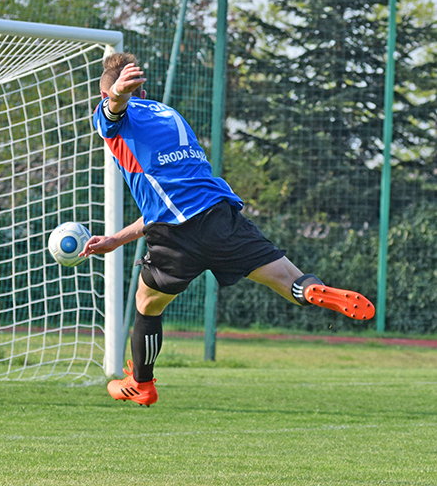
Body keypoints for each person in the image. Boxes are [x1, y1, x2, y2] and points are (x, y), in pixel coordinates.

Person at [81, 52, 374, 407]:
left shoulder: (114, 117)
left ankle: (142, 383)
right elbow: (173, 196)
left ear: (111, 94)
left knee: (147, 304)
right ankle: (313, 290)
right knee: (287, 280)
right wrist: (115, 239)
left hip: (177, 234)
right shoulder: (171, 116)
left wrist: (115, 96)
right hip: (221, 215)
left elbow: (111, 116)